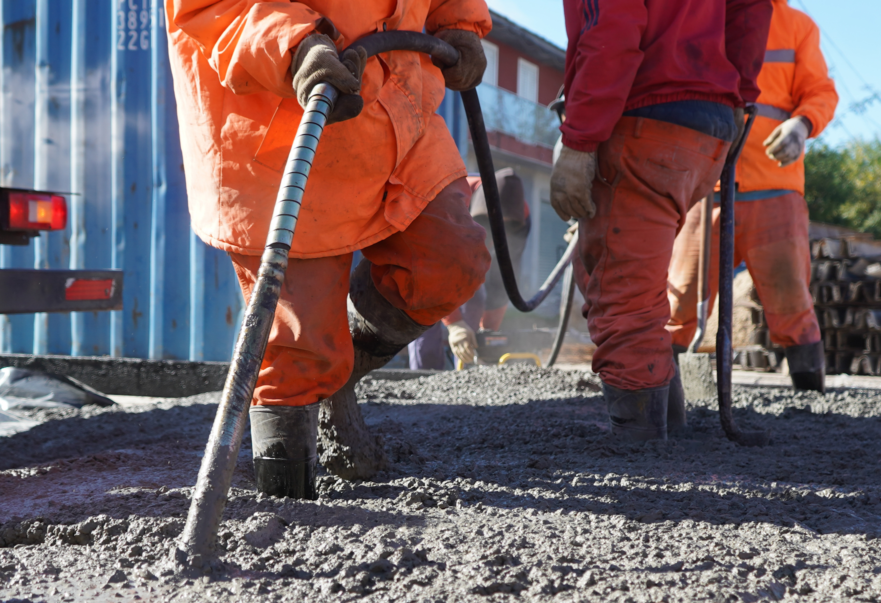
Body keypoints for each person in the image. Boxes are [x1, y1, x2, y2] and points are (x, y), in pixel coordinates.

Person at [166, 1, 492, 494]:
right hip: (285, 117)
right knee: (299, 353)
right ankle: (285, 505)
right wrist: (292, 45)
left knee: (449, 260)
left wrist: (459, 23)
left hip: (398, 104)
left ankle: (337, 376)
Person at [551, 0, 774, 442]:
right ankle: (669, 422)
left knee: (621, 290)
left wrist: (579, 141)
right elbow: (750, 9)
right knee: (638, 280)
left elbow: (610, 29)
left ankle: (641, 442)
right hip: (709, 123)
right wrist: (740, 95)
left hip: (647, 113)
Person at [666, 0, 838, 393]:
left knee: (792, 301)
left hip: (773, 188)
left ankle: (810, 399)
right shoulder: (699, 14)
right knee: (677, 301)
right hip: (703, 186)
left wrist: (801, 124)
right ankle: (662, 395)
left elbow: (820, 92)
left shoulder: (796, 25)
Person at [408, 169, 531, 369]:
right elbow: (433, 268)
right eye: (489, 222)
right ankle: (425, 376)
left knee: (475, 297)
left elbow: (505, 276)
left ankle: (467, 369)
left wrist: (488, 335)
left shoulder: (521, 215)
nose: (495, 231)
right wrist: (454, 323)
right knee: (425, 317)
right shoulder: (449, 200)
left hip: (465, 259)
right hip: (425, 260)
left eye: (504, 225)